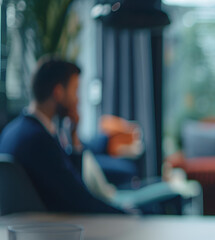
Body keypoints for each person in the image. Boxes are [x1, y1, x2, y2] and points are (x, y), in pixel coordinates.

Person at [0, 57, 125, 214]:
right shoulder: (39, 140)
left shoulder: (12, 131)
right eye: (75, 90)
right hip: (54, 228)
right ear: (58, 92)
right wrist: (127, 216)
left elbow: (70, 186)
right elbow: (79, 198)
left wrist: (74, 136)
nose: (77, 99)